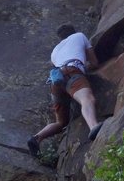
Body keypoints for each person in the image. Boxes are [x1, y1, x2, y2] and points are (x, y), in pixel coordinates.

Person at [27, 24, 102, 158]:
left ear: (60, 38)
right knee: (87, 99)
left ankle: (36, 138)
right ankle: (94, 126)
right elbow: (94, 62)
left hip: (56, 82)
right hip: (72, 72)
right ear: (73, 31)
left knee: (61, 122)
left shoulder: (54, 51)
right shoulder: (79, 36)